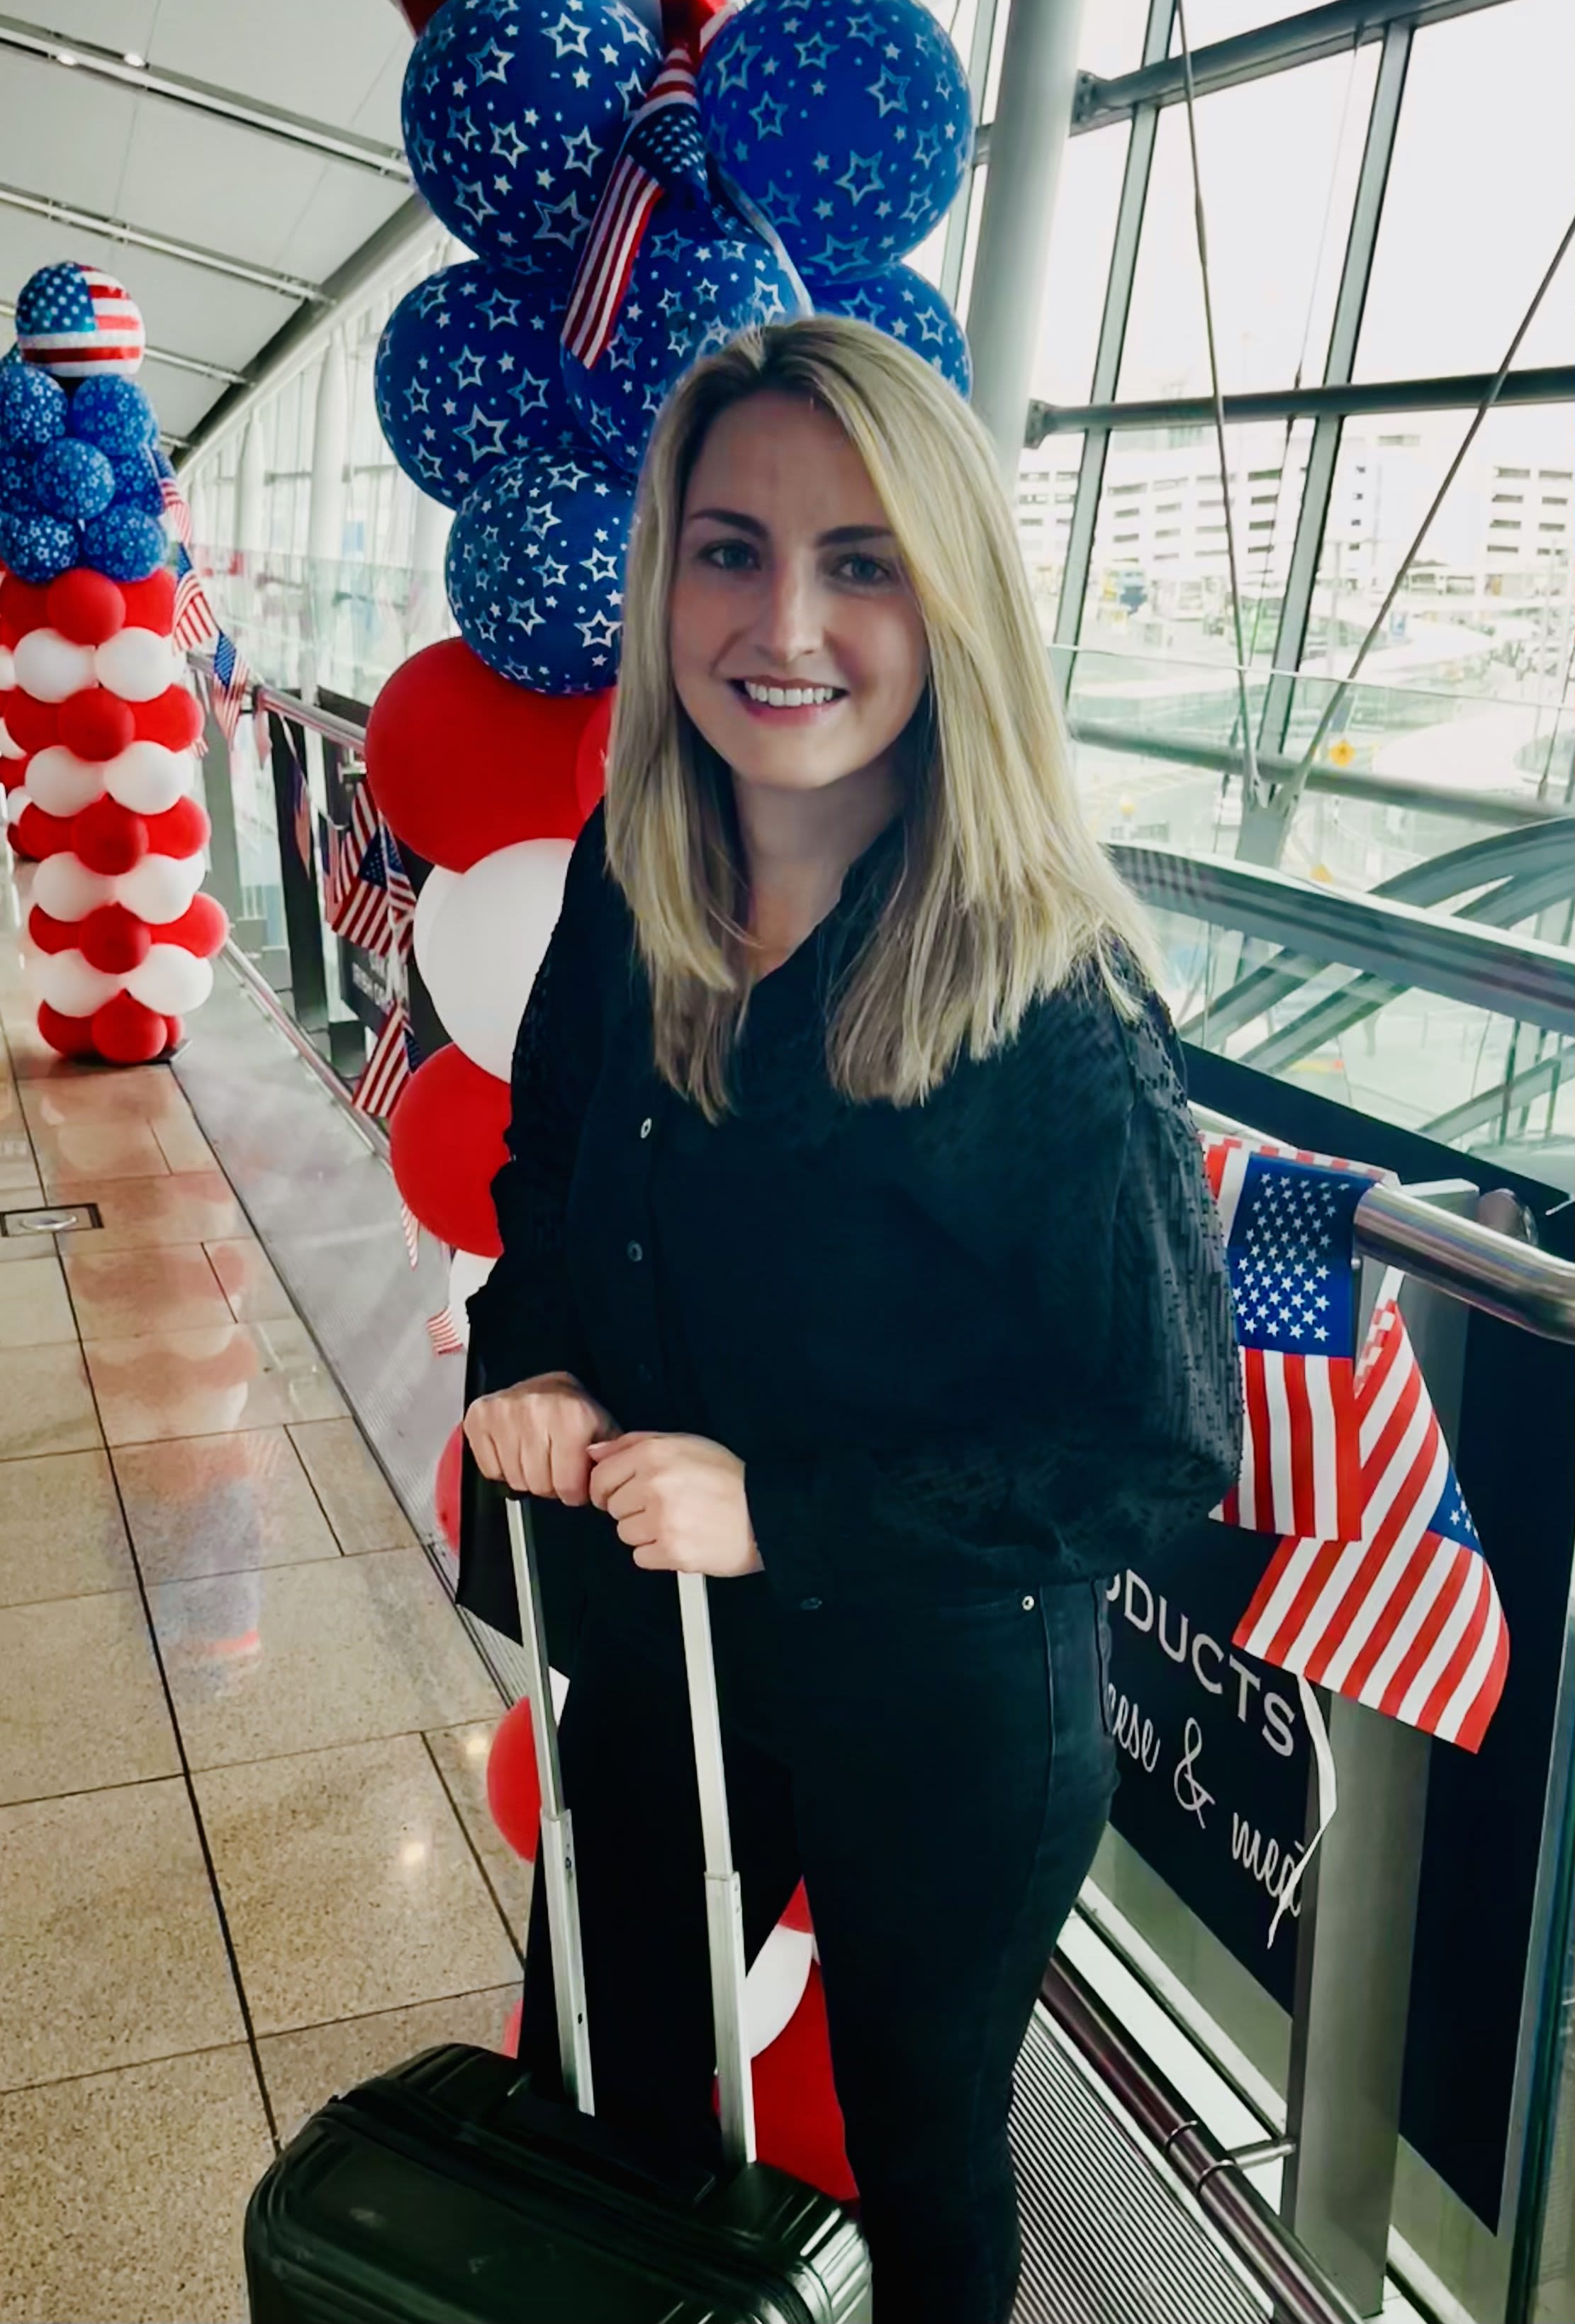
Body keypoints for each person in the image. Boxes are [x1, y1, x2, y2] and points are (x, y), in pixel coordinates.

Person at [458, 317, 1241, 2324]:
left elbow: (1155, 1447)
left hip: (943, 1705)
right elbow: (545, 1187)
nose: (783, 618)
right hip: (668, 1656)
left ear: (947, 598)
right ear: (665, 580)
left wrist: (780, 1508)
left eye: (860, 558)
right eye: (728, 549)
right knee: (598, 2092)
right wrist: (529, 1360)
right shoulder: (628, 899)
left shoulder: (1049, 1002)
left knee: (919, 2145)